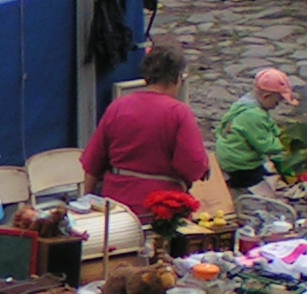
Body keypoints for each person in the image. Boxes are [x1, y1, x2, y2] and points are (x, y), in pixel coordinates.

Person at [79, 42, 211, 216]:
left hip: (116, 208)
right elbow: (193, 167)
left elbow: (93, 163)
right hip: (162, 209)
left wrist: (84, 203)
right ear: (178, 77)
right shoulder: (178, 113)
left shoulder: (119, 106)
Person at [216, 69, 298, 190]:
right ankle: (238, 183)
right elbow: (266, 145)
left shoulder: (247, 104)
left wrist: (282, 135)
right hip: (239, 163)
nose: (278, 105)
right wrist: (288, 145)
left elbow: (269, 126)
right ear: (266, 97)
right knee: (265, 183)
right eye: (277, 101)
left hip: (231, 155)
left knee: (269, 171)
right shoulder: (254, 116)